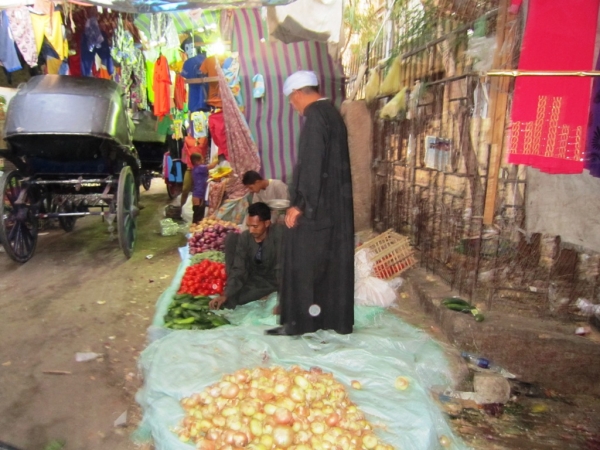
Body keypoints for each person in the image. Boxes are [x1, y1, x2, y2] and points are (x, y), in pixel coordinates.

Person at [266, 70, 354, 336]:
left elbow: (313, 166)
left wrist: (300, 205)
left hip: (317, 210)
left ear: (297, 94)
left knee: (300, 260)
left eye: (291, 101)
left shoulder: (315, 117)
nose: (293, 107)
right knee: (326, 265)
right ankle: (327, 320)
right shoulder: (331, 113)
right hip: (331, 208)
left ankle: (299, 323)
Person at [209, 202, 283, 310]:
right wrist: (226, 294)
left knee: (240, 298)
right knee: (231, 299)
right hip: (252, 275)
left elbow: (283, 270)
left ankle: (267, 293)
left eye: (255, 226)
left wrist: (283, 301)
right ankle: (234, 291)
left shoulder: (279, 235)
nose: (251, 230)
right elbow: (239, 268)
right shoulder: (246, 237)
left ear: (267, 223)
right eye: (249, 226)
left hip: (271, 278)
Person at [190, 153, 217, 223]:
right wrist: (217, 157)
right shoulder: (199, 167)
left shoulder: (196, 169)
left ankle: (195, 229)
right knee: (198, 215)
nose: (203, 161)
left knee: (198, 214)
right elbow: (212, 166)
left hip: (198, 194)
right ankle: (194, 229)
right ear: (197, 161)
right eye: (201, 160)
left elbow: (204, 178)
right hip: (198, 195)